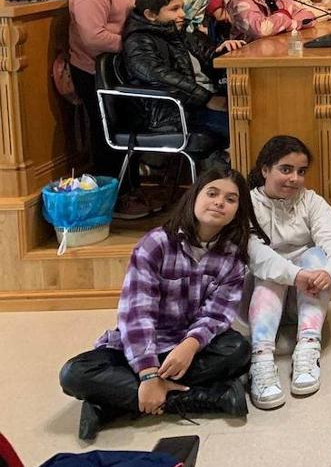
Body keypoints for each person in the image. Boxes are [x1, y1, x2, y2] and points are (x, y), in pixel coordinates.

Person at [59, 167, 258, 440]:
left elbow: (217, 316)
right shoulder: (156, 244)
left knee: (238, 350)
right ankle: (197, 398)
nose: (219, 202)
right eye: (212, 193)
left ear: (238, 210)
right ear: (194, 197)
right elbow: (136, 314)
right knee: (74, 374)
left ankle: (109, 405)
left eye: (230, 199)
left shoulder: (234, 258)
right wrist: (149, 374)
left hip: (189, 348)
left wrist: (190, 345)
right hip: (144, 344)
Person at [245, 136, 331, 410]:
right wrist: (293, 275)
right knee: (270, 267)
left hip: (307, 293)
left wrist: (329, 271)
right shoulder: (248, 203)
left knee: (316, 256)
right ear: (266, 169)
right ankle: (262, 359)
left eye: (301, 172)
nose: (294, 178)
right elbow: (253, 252)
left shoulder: (312, 201)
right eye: (286, 169)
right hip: (262, 296)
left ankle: (308, 346)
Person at [122, 0, 240, 147]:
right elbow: (160, 76)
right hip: (174, 114)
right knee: (245, 128)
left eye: (181, 7)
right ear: (150, 15)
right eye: (174, 9)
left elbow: (206, 57)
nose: (182, 14)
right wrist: (206, 98)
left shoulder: (177, 32)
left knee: (258, 115)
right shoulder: (138, 41)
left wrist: (222, 53)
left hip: (197, 105)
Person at [67, 0, 134, 176]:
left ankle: (129, 189)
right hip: (93, 71)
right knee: (107, 132)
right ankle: (114, 195)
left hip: (115, 69)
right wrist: (133, 47)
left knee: (124, 127)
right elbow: (93, 38)